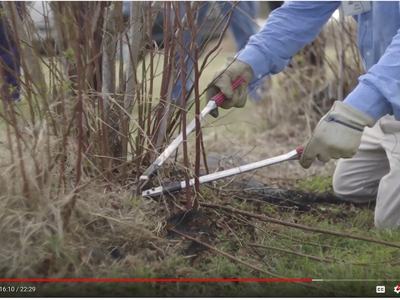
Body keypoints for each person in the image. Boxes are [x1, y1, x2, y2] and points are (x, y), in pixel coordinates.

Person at [206, 2, 400, 228]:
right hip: (393, 104)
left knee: (390, 223)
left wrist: (357, 112)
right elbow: (301, 10)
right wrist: (248, 62)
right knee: (351, 185)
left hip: (388, 91)